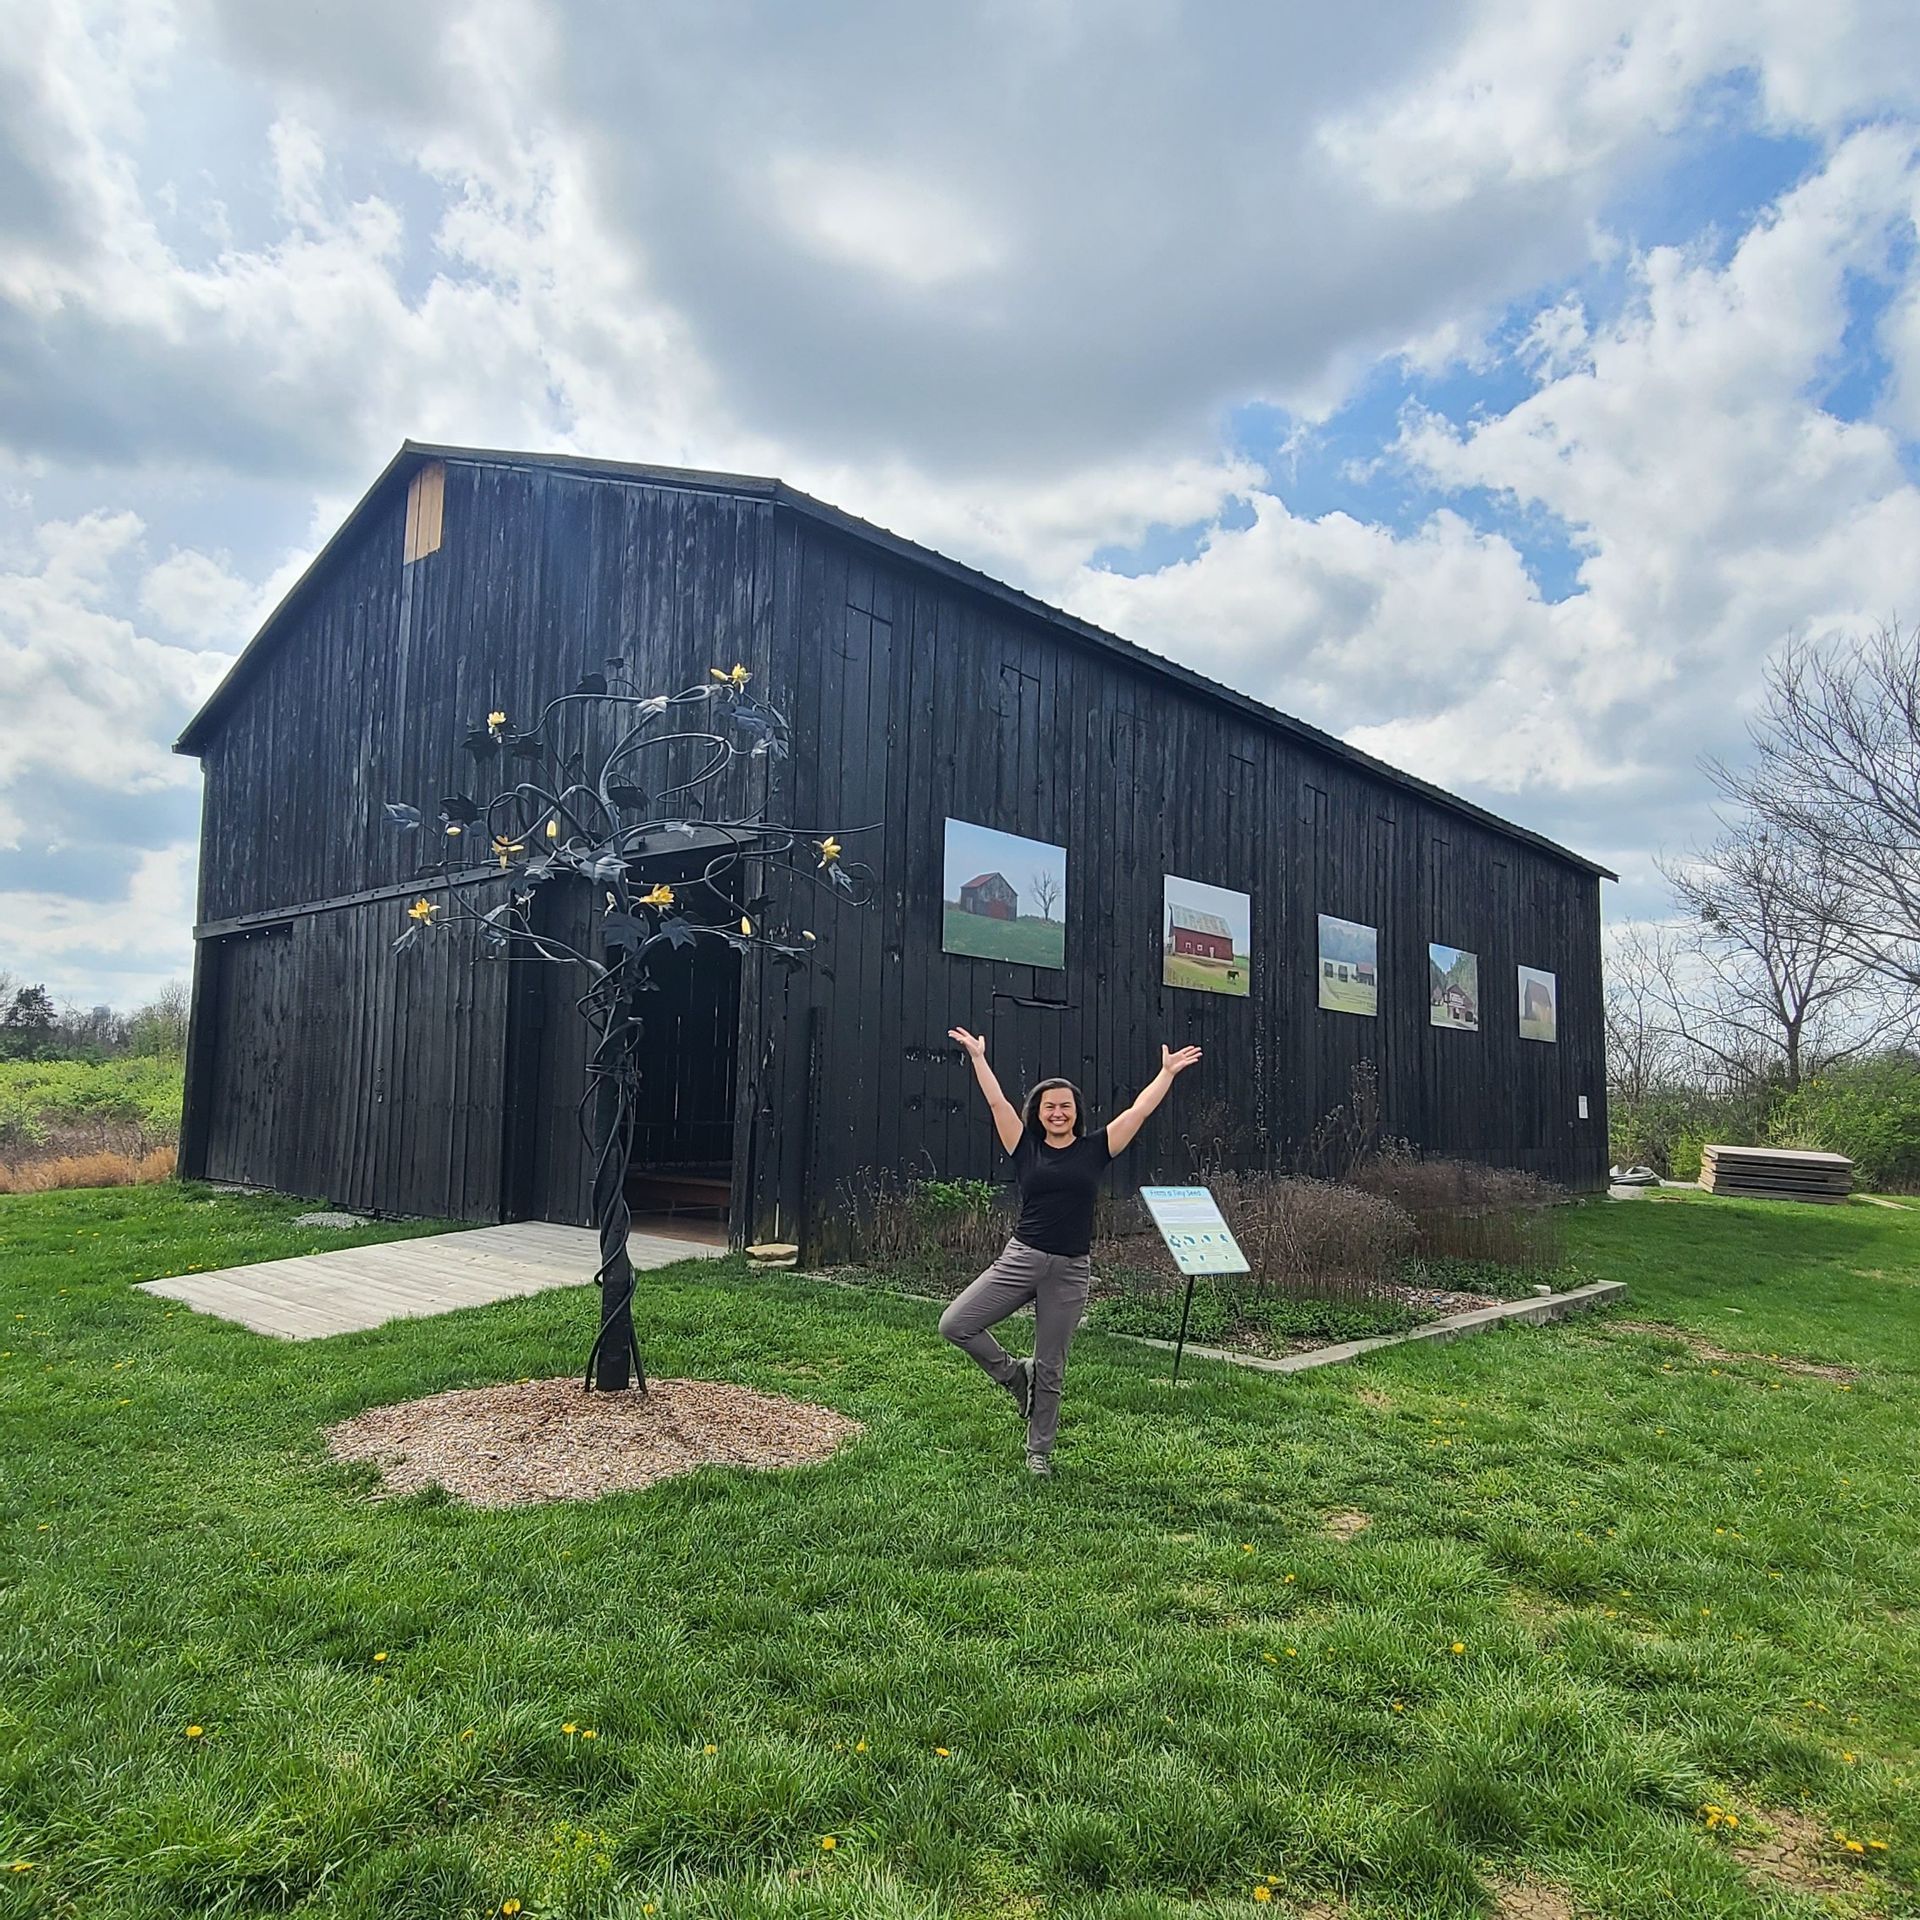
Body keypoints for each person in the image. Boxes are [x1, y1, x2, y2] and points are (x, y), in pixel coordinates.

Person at [939, 1028, 1203, 1476]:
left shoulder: (1095, 1149)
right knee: (956, 1324)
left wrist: (1166, 1073)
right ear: (1038, 1113)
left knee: (1052, 1365)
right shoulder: (1024, 1147)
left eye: (1065, 1106)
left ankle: (1038, 1451)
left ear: (1076, 1111)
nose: (1058, 1113)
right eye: (1049, 1106)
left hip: (1069, 1270)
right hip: (1021, 1258)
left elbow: (1138, 1111)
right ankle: (1013, 1375)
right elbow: (997, 1104)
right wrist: (979, 1058)